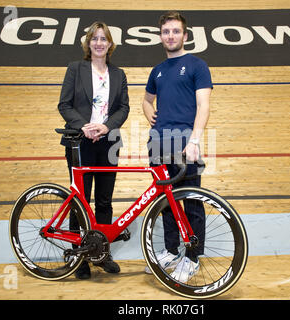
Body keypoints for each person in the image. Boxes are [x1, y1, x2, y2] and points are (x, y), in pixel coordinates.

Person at [142, 11, 213, 282]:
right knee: (166, 202)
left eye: (175, 31)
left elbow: (204, 105)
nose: (170, 36)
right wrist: (149, 112)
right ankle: (171, 250)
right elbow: (146, 100)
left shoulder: (197, 65)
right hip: (158, 144)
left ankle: (192, 257)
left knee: (192, 201)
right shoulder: (158, 70)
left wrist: (195, 140)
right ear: (161, 36)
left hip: (186, 145)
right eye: (166, 32)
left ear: (184, 35)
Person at [58, 21, 130, 279]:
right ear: (88, 43)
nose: (99, 43)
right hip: (80, 142)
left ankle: (101, 253)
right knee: (80, 201)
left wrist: (106, 127)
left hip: (108, 143)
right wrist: (85, 126)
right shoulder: (75, 69)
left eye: (104, 39)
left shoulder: (119, 74)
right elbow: (64, 105)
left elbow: (124, 108)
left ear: (110, 44)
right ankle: (80, 257)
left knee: (104, 201)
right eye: (95, 38)